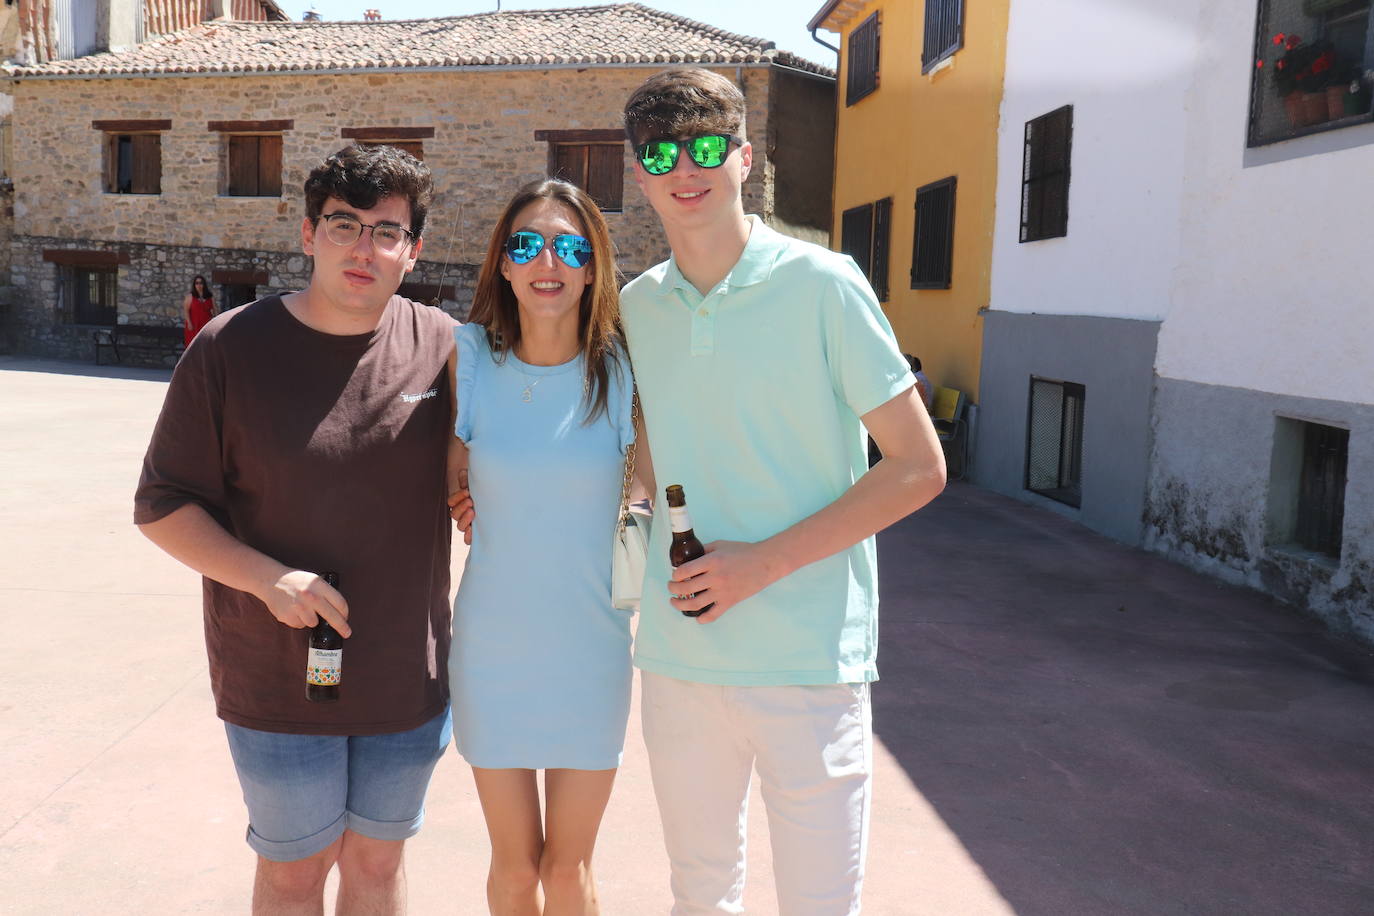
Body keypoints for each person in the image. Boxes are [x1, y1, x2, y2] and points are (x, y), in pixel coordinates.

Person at [619, 69, 948, 914]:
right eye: (660, 152)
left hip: (808, 660)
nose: (683, 169)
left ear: (743, 157)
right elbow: (650, 457)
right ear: (640, 171)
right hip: (678, 656)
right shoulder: (636, 307)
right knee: (699, 892)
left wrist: (759, 565)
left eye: (704, 147)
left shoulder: (825, 283)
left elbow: (918, 465)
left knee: (819, 902)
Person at [134, 144, 458, 916]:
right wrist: (266, 578)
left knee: (377, 867)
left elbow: (490, 469)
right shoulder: (229, 349)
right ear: (309, 234)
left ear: (412, 252)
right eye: (344, 225)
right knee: (295, 871)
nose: (363, 247)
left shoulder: (447, 348)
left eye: (387, 232)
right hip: (275, 674)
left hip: (403, 676)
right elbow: (162, 504)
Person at [449, 178, 634, 915]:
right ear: (502, 264)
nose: (546, 261)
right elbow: (434, 465)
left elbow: (649, 499)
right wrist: (454, 491)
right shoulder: (466, 359)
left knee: (566, 872)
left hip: (593, 650)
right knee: (516, 868)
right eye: (526, 244)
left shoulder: (623, 371)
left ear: (593, 266)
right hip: (493, 649)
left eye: (568, 245)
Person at [182, 274, 216, 346]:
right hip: (194, 325)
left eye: (201, 283)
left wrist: (215, 322)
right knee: (192, 346)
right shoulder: (190, 297)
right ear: (194, 285)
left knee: (206, 345)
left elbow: (215, 310)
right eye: (196, 283)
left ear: (204, 284)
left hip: (206, 325)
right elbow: (186, 311)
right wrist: (189, 323)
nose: (199, 285)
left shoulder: (210, 296)